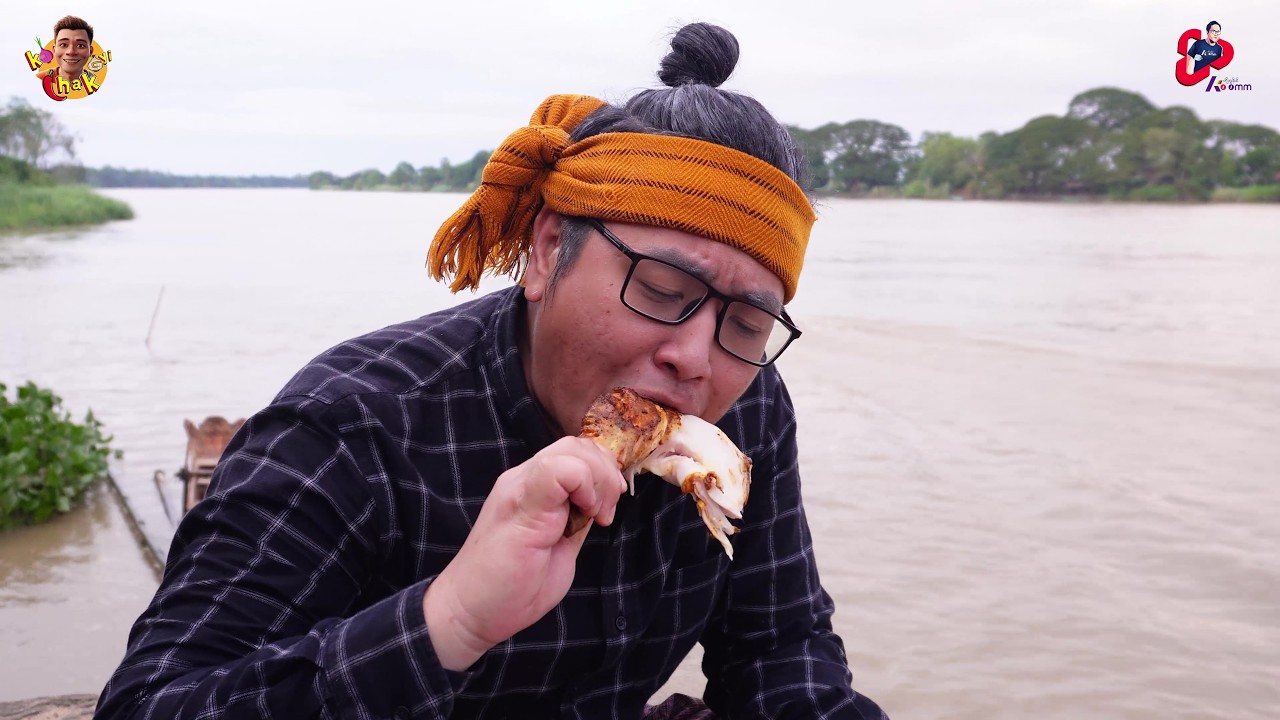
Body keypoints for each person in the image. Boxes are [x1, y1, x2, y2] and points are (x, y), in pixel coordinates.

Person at [97, 22, 888, 720]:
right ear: (547, 252)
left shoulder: (746, 408)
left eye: (746, 323)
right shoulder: (353, 427)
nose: (696, 357)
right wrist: (450, 619)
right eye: (661, 290)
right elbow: (151, 701)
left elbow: (779, 649)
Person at [33, 15, 95, 99]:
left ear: (90, 51)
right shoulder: (38, 80)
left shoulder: (97, 84)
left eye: (80, 46)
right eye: (63, 45)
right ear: (54, 50)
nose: (71, 52)